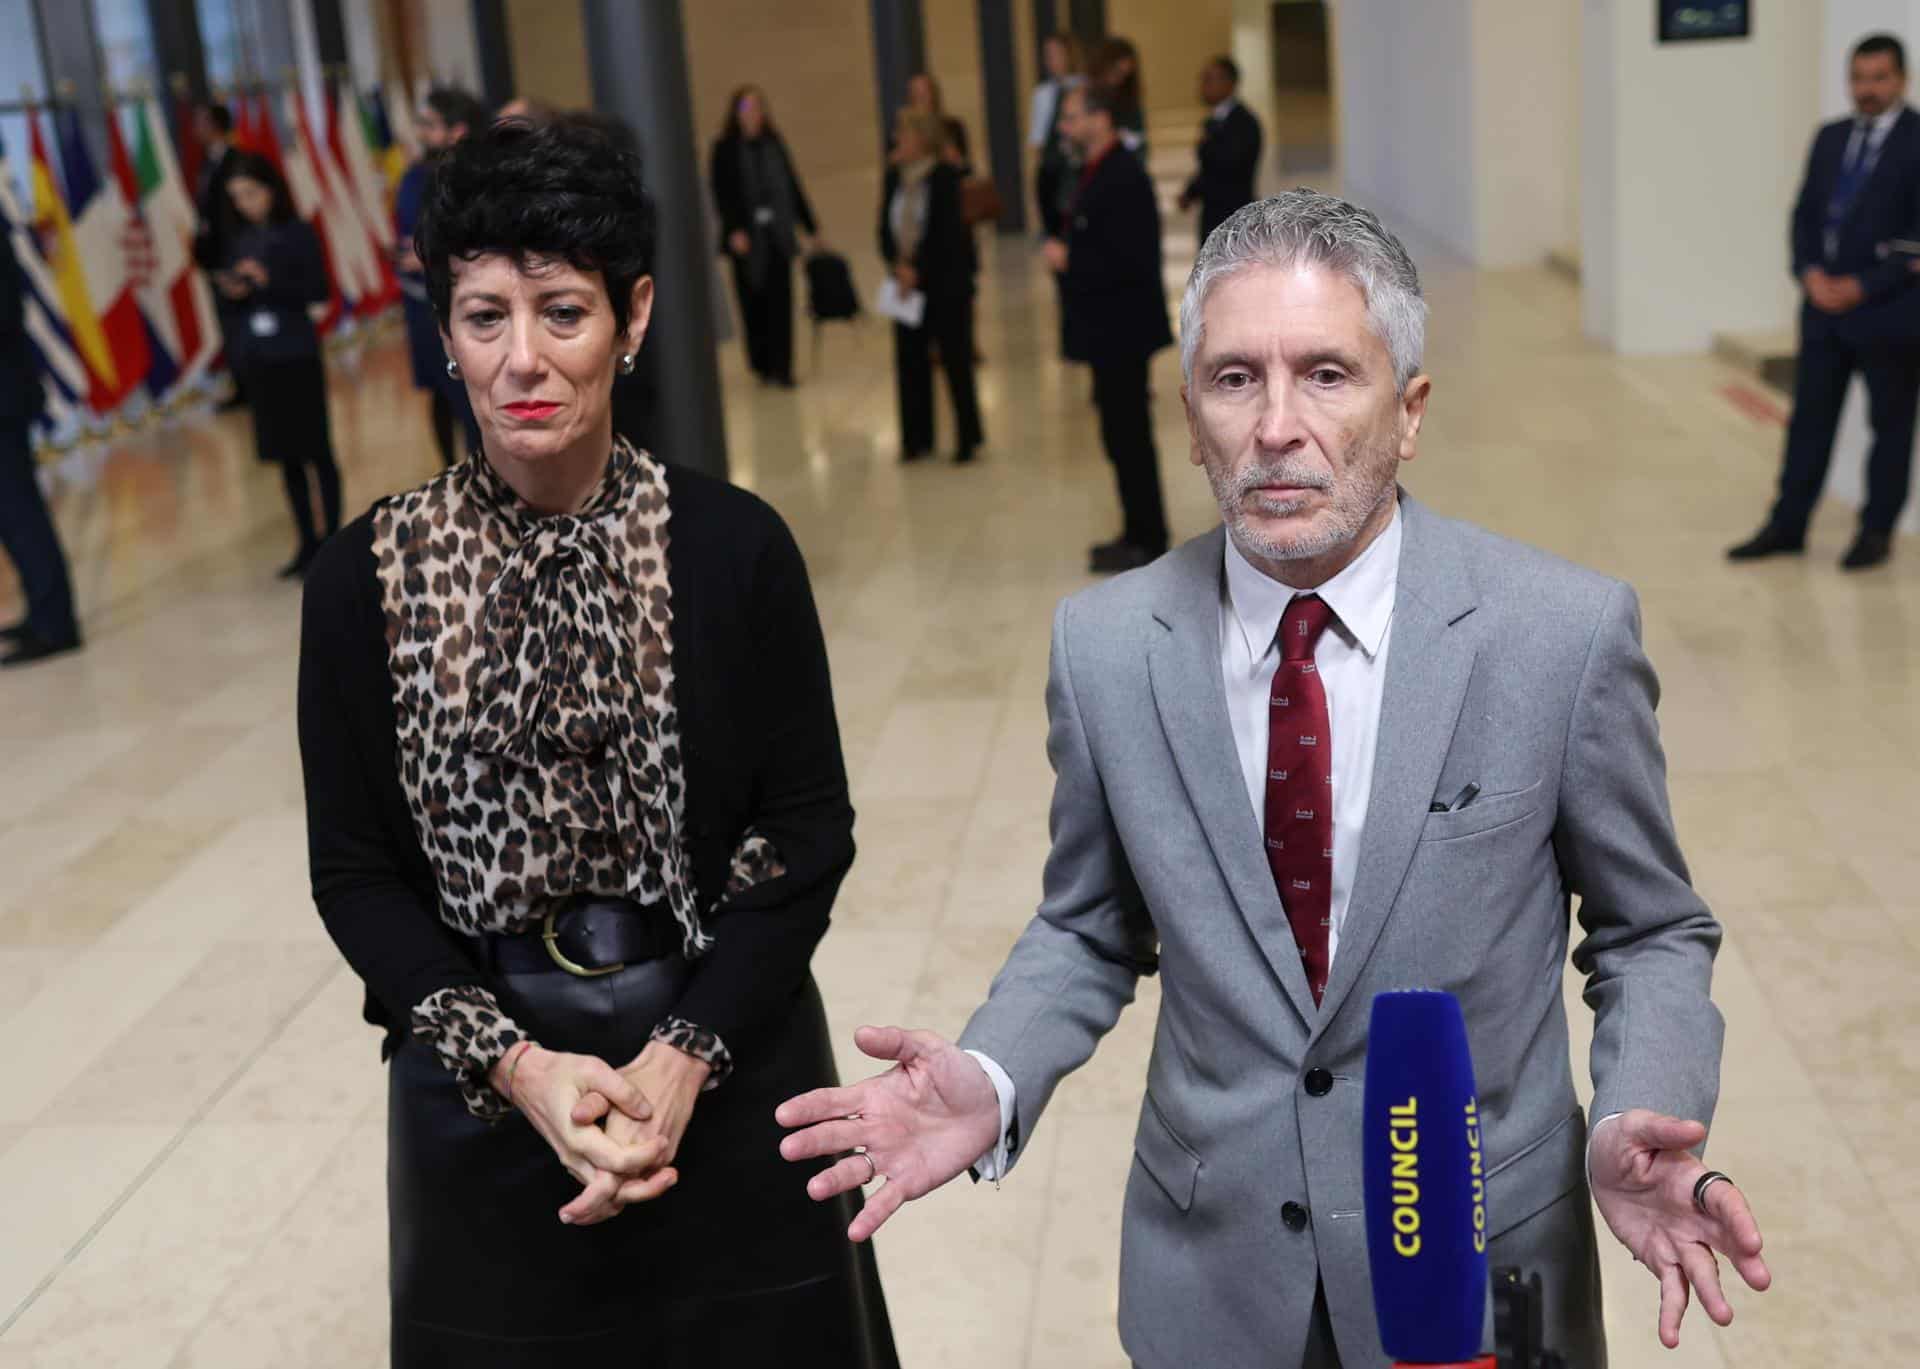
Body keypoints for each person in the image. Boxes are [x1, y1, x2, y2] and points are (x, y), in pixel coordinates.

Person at [779, 191, 1773, 1367]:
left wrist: (1633, 1107)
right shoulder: (1106, 648)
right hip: (1212, 1277)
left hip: (1471, 1267)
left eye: (1328, 375)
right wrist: (996, 1074)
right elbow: (1091, 924)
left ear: (1409, 413)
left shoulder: (1558, 636)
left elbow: (1650, 928)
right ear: (1191, 418)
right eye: (1235, 379)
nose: (1276, 425)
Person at [297, 116, 898, 1366]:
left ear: (632, 318)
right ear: (444, 331)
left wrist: (682, 1058)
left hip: (728, 1054)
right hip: (483, 1082)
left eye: (561, 312)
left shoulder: (732, 549)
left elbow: (807, 828)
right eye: (482, 316)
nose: (522, 360)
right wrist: (516, 1068)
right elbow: (354, 872)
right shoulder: (365, 575)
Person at [1730, 32, 1920, 571]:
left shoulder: (1917, 139)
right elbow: (1804, 215)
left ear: (1901, 80)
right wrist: (1808, 274)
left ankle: (1876, 532)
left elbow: (1916, 237)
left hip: (1890, 314)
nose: (1867, 89)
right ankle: (1787, 526)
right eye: (1859, 78)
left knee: (1891, 428)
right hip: (1821, 313)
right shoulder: (1831, 136)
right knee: (1808, 422)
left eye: (1879, 78)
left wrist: (1863, 285)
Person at [1046, 86, 1173, 572]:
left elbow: (1131, 257)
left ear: (1101, 118)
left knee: (1129, 436)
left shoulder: (1123, 174)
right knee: (1118, 435)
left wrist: (1070, 258)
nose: (1064, 127)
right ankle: (1135, 529)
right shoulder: (1095, 169)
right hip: (1108, 331)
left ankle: (1148, 535)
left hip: (1122, 331)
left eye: (1072, 117)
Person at [213, 152, 339, 578]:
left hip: (296, 353)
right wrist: (234, 288)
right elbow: (232, 301)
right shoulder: (241, 239)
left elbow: (317, 290)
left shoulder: (298, 232)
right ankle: (305, 540)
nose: (245, 204)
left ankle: (333, 540)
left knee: (316, 451)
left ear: (270, 190)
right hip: (261, 358)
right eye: (237, 197)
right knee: (285, 456)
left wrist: (270, 282)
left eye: (250, 193)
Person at [0, 200, 81, 669]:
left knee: (19, 510)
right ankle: (39, 611)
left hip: (4, 398)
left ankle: (55, 624)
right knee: (11, 514)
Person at [881, 109, 983, 464]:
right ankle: (916, 439)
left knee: (955, 361)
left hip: (943, 283)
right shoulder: (894, 176)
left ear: (923, 138)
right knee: (909, 360)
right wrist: (897, 264)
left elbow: (945, 234)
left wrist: (917, 270)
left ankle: (968, 436)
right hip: (904, 285)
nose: (899, 141)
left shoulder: (943, 177)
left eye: (905, 134)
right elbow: (883, 227)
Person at [394, 86, 486, 467]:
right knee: (437, 388)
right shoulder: (415, 174)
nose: (420, 132)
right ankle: (452, 472)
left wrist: (434, 252)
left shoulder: (477, 175)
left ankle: (484, 472)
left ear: (458, 130)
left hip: (467, 297)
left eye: (429, 125)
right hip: (421, 301)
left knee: (469, 392)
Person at [710, 85, 819, 388]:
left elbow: (793, 186)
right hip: (745, 239)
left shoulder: (774, 144)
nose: (754, 114)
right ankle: (762, 364)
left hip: (777, 235)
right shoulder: (725, 149)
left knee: (781, 301)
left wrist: (811, 227)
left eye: (758, 107)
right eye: (747, 108)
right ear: (736, 114)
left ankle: (783, 368)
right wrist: (734, 231)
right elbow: (722, 193)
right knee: (753, 303)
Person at [189, 101, 246, 411]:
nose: (195, 129)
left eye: (201, 122)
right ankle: (240, 384)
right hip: (215, 260)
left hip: (235, 257)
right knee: (229, 326)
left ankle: (252, 384)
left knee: (241, 322)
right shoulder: (206, 164)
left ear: (215, 126)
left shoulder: (236, 161)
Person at [1178, 56, 1263, 247]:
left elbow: (1228, 166)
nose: (1203, 86)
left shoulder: (1244, 122)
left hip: (1234, 216)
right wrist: (1191, 192)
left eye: (1209, 79)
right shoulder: (1211, 122)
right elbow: (1208, 168)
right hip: (1212, 216)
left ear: (1229, 84)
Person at [1090, 37, 1148, 157]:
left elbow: (1141, 144)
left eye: (1124, 75)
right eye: (1116, 72)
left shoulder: (1130, 101)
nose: (1118, 80)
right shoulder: (1087, 96)